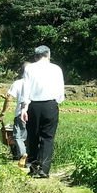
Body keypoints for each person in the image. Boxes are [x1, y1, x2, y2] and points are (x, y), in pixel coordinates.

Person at [20, 45, 65, 178]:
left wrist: (24, 108)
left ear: (36, 56)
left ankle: (33, 168)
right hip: (50, 105)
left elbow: (25, 90)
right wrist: (57, 101)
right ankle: (44, 169)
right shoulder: (56, 69)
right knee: (48, 138)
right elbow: (60, 91)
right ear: (48, 55)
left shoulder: (29, 68)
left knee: (32, 137)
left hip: (33, 106)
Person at [0, 64, 30, 167]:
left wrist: (3, 112)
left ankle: (23, 156)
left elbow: (9, 98)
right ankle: (33, 157)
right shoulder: (37, 82)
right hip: (37, 112)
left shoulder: (18, 83)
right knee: (32, 136)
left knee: (19, 137)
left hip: (22, 113)